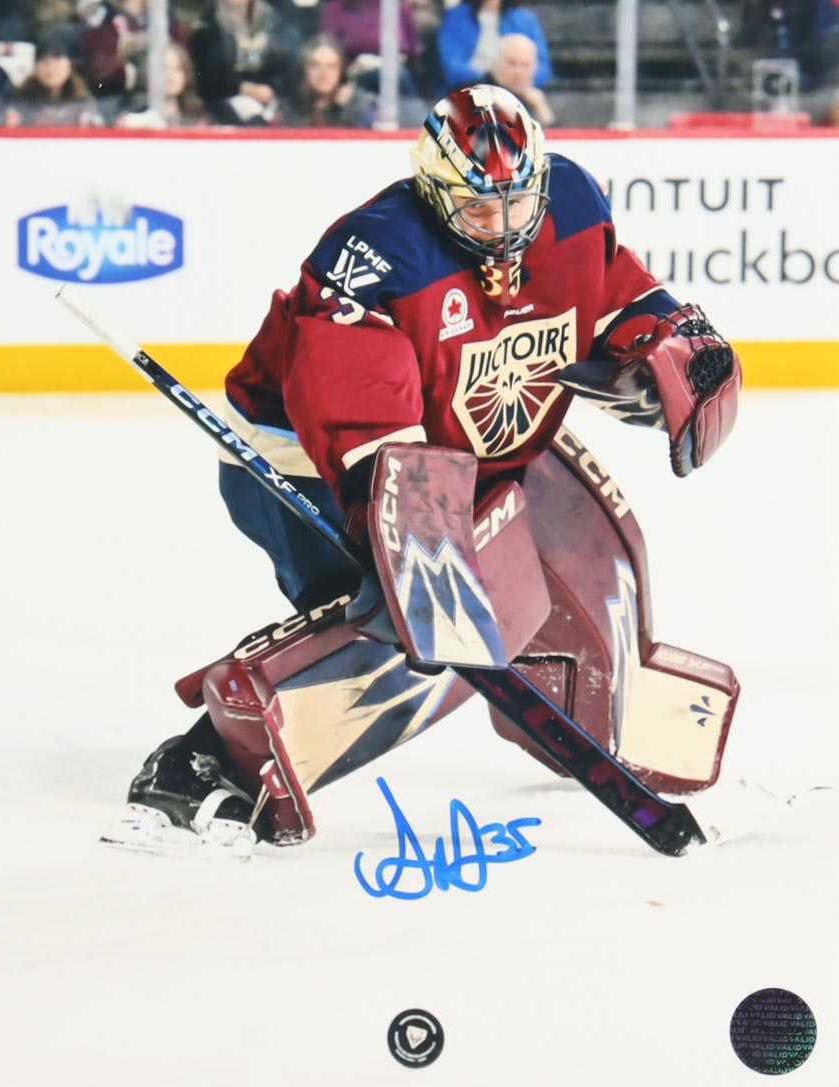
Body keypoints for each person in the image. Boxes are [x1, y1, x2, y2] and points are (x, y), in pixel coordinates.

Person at [119, 84, 741, 852]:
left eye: (518, 205)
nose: (505, 230)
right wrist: (414, 537)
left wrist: (663, 346)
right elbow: (357, 413)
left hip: (468, 444)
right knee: (416, 625)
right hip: (309, 460)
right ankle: (210, 759)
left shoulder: (571, 204)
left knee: (583, 537)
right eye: (479, 211)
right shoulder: (375, 256)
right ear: (436, 192)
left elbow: (616, 294)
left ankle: (593, 703)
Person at [189, 0, 298, 126]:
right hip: (223, 101)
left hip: (268, 98)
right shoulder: (207, 27)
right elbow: (207, 76)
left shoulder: (272, 20)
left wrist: (271, 88)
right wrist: (241, 88)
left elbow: (283, 65)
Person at [437, 0, 552, 96]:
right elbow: (453, 67)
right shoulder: (456, 17)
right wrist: (491, 82)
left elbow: (543, 68)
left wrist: (518, 80)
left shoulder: (525, 19)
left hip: (517, 93)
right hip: (469, 92)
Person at [276, 33, 377, 128]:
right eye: (315, 65)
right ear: (304, 70)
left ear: (341, 70)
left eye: (331, 66)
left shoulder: (358, 105)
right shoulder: (290, 107)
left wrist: (346, 109)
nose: (324, 73)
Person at [6, 37, 103, 126]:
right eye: (44, 61)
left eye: (57, 60)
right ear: (35, 68)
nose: (51, 68)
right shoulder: (21, 100)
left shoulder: (83, 99)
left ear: (70, 64)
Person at [115, 41, 209, 127]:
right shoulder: (132, 120)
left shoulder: (198, 121)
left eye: (178, 69)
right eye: (165, 68)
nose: (171, 75)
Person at [488, 32, 554, 125]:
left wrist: (541, 109)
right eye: (512, 63)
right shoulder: (475, 94)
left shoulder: (535, 100)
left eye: (526, 65)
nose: (519, 72)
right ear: (496, 62)